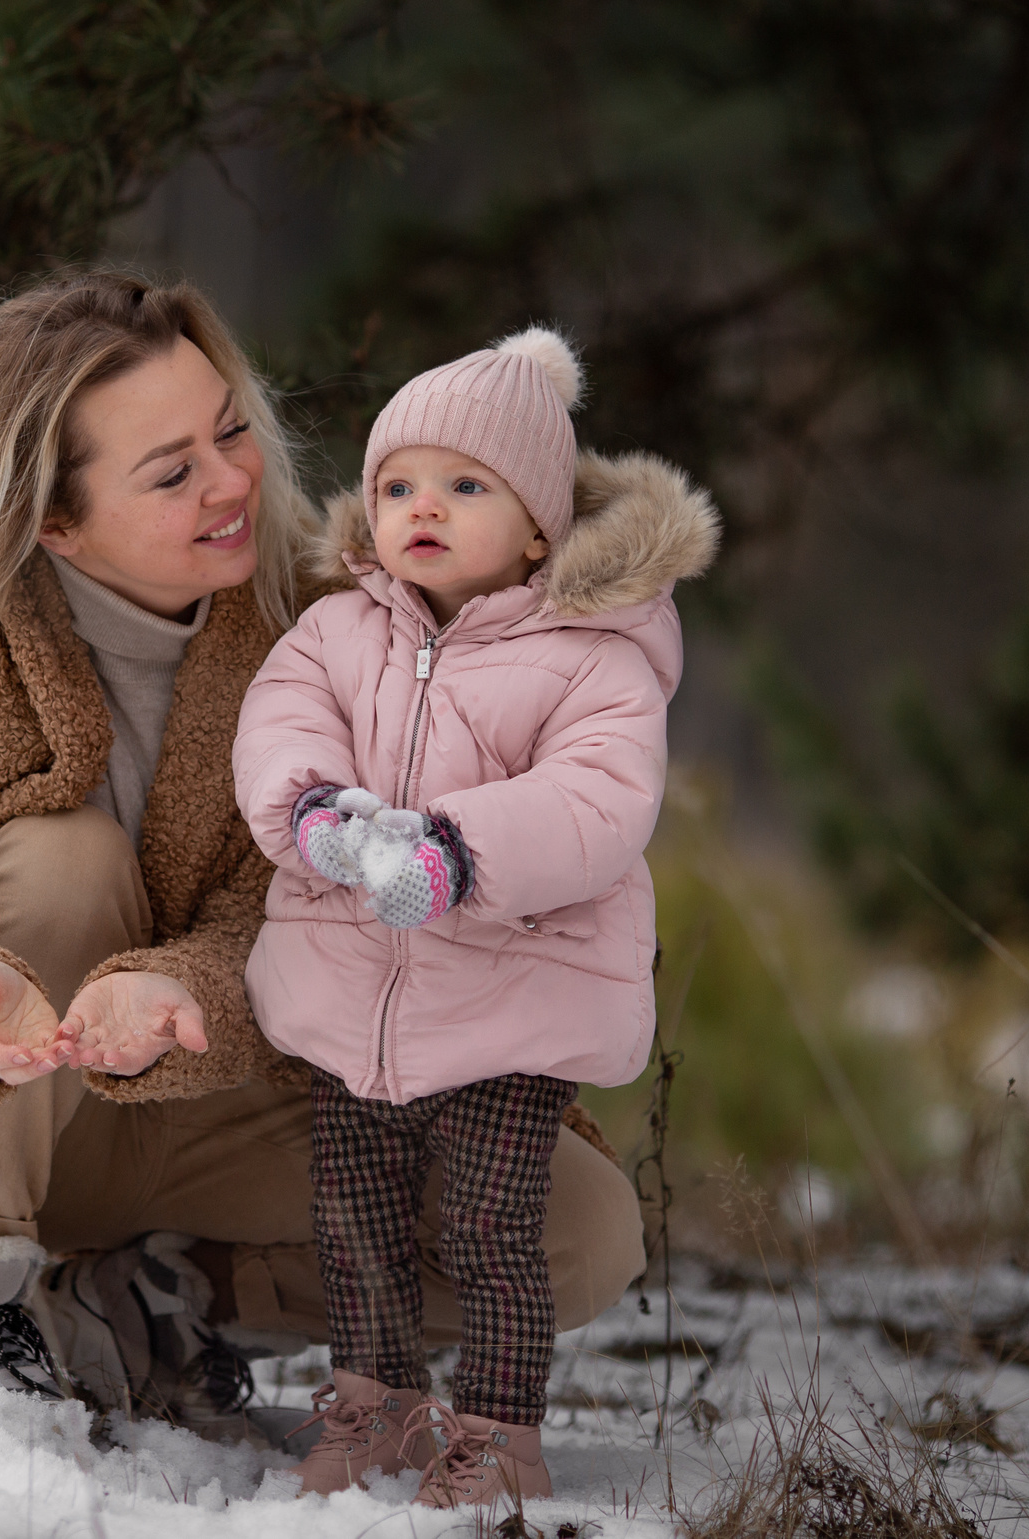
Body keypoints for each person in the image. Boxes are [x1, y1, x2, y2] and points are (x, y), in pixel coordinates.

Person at [0, 274, 651, 1436]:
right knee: (67, 861)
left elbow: (315, 901)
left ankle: (155, 1299)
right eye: (171, 472)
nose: (233, 482)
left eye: (230, 432)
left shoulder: (333, 621)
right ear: (51, 521)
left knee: (585, 1230)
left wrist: (178, 991)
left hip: (224, 1096)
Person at [233, 327, 719, 1503]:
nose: (421, 509)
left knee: (495, 1225)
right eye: (398, 484)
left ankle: (501, 1435)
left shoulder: (596, 654)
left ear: (539, 526)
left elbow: (596, 801)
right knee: (353, 1215)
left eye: (465, 486)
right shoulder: (340, 629)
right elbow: (281, 721)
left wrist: (455, 850)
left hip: (513, 997)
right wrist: (316, 815)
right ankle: (377, 1404)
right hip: (359, 996)